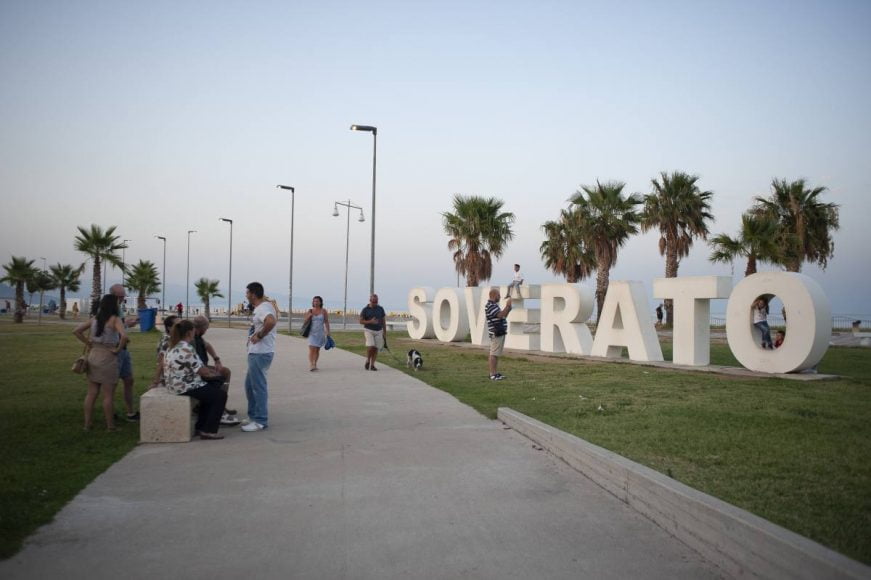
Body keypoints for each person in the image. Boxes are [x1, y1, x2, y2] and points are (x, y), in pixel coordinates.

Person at [163, 319, 228, 440]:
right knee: (220, 395)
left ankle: (201, 427)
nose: (194, 333)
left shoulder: (173, 345)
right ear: (189, 333)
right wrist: (213, 373)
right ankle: (209, 431)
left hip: (174, 383)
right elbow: (201, 371)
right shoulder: (186, 348)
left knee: (212, 390)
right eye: (193, 331)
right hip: (184, 385)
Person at [74, 294, 127, 431]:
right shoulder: (115, 319)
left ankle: (87, 424)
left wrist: (88, 343)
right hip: (108, 356)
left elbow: (77, 331)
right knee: (108, 395)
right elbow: (124, 336)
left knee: (91, 393)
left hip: (93, 355)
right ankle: (110, 426)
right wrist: (118, 349)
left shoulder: (95, 319)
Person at [242, 282, 277, 432]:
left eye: (247, 292)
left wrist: (260, 335)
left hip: (260, 353)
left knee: (258, 387)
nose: (246, 295)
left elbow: (271, 321)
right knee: (249, 386)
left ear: (253, 294)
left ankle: (260, 420)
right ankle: (253, 415)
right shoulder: (263, 307)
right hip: (256, 352)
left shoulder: (263, 308)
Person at [192, 315, 239, 425]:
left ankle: (221, 405)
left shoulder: (198, 336)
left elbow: (207, 345)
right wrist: (207, 370)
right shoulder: (192, 338)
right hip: (196, 370)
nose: (207, 330)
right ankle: (218, 409)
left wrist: (216, 359)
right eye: (207, 328)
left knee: (225, 371)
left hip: (202, 366)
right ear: (202, 327)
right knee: (219, 376)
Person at [108, 284, 140, 421]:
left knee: (128, 379)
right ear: (112, 295)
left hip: (123, 349)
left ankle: (130, 412)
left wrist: (127, 323)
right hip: (115, 349)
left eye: (123, 296)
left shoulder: (118, 308)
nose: (122, 299)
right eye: (119, 296)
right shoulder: (108, 308)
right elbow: (110, 326)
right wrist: (127, 324)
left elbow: (120, 324)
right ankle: (110, 413)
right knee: (112, 383)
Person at [485, 288, 512, 380]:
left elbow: (503, 316)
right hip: (496, 333)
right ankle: (492, 374)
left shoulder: (494, 305)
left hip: (499, 332)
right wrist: (507, 306)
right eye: (499, 295)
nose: (500, 297)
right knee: (493, 353)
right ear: (494, 295)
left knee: (496, 354)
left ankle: (495, 373)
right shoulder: (490, 306)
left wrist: (508, 309)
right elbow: (500, 315)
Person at [148, 314, 178, 389]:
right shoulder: (168, 340)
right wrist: (156, 381)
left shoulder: (172, 338)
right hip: (169, 377)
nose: (181, 327)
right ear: (169, 328)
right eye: (177, 325)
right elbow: (161, 361)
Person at [303, 296, 331, 371]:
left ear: (320, 302)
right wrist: (308, 317)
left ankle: (315, 363)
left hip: (320, 333)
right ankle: (311, 364)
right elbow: (305, 322)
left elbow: (326, 321)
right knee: (312, 349)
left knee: (317, 349)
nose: (315, 302)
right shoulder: (310, 311)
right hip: (311, 333)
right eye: (314, 301)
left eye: (317, 301)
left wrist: (328, 331)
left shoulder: (324, 311)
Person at [360, 293, 386, 371]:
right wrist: (370, 321)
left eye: (376, 301)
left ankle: (372, 365)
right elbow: (361, 321)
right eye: (373, 301)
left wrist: (385, 332)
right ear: (370, 300)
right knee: (371, 346)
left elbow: (383, 321)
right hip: (369, 330)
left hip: (378, 331)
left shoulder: (380, 309)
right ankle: (368, 360)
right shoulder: (365, 309)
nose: (375, 303)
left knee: (376, 348)